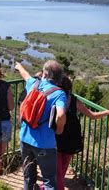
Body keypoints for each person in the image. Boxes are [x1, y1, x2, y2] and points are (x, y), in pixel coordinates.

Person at [55, 76, 109, 189]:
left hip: (57, 138)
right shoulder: (74, 100)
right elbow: (92, 115)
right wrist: (107, 112)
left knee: (57, 172)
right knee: (61, 172)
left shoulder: (54, 98)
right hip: (70, 139)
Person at [15, 60, 67, 190]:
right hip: (45, 144)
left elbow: (25, 75)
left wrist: (18, 66)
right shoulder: (59, 93)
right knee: (49, 180)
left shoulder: (34, 83)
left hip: (25, 139)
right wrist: (59, 130)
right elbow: (60, 115)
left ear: (44, 73)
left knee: (28, 176)